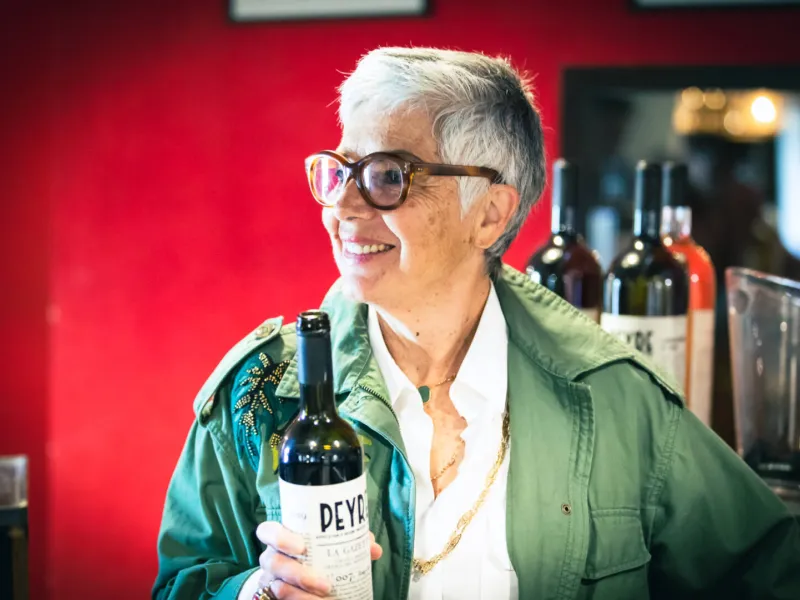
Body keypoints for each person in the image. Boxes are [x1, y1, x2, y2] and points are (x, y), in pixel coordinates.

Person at [153, 47, 800, 600]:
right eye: (339, 170)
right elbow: (181, 580)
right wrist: (253, 592)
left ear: (490, 214)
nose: (342, 205)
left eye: (386, 176)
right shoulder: (259, 396)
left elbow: (770, 571)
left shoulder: (615, 399)